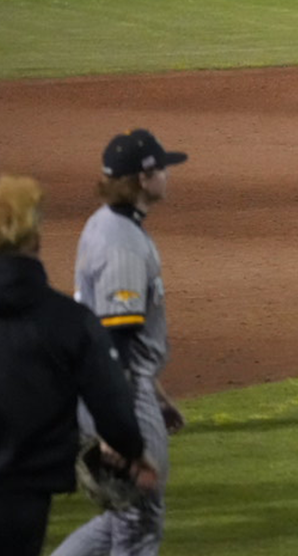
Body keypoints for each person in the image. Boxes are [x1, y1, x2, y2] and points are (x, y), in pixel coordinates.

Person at [52, 131, 193, 556]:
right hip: (120, 396)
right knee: (141, 518)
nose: (168, 175)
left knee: (126, 516)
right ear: (144, 178)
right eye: (162, 168)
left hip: (119, 388)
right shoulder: (123, 244)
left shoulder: (107, 224)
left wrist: (159, 394)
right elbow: (115, 340)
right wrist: (117, 431)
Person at [0, 175, 156, 556]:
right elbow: (112, 406)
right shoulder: (70, 322)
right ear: (35, 236)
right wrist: (131, 452)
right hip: (23, 498)